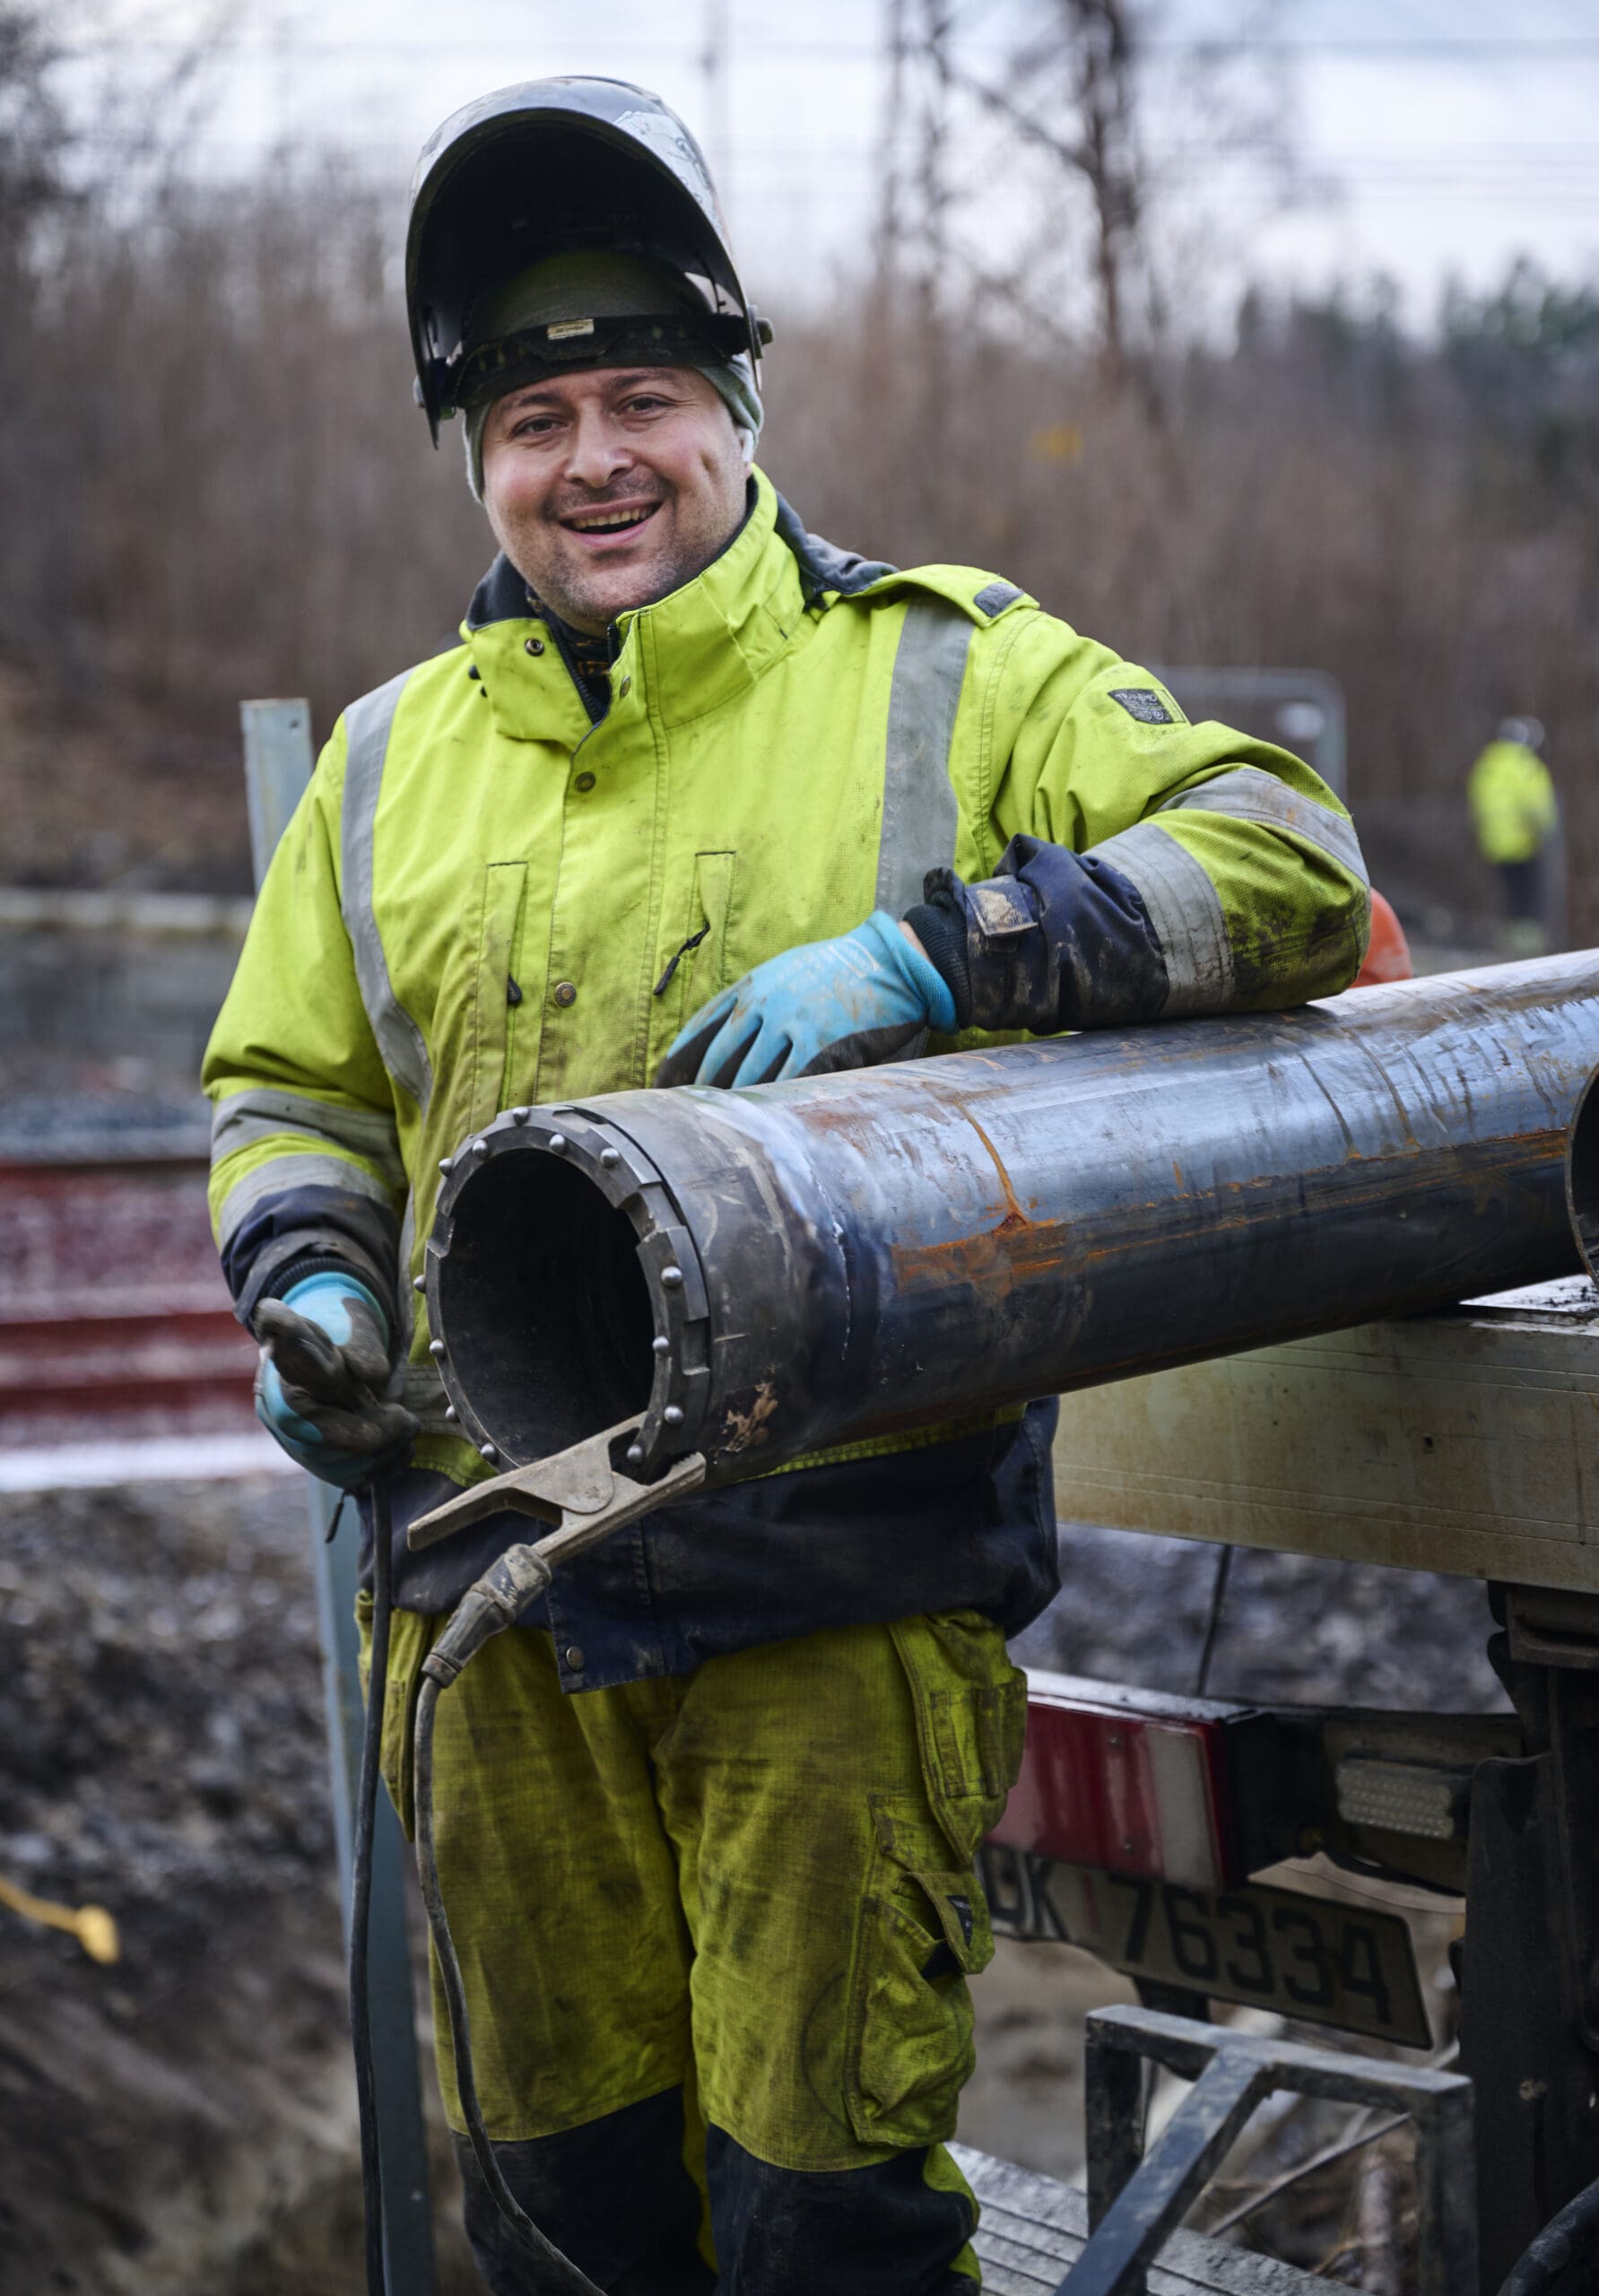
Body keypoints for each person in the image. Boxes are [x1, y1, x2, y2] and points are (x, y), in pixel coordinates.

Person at [203, 80, 1371, 2295]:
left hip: (828, 1590)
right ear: (476, 459)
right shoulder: (383, 764)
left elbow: (1287, 859)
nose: (596, 458)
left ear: (737, 410)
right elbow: (290, 1091)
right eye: (536, 419)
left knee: (819, 2222)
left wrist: (950, 947)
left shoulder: (949, 670)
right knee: (563, 2214)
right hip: (489, 1605)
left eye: (644, 398)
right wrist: (310, 1275)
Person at [1467, 718, 1558, 954]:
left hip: (1493, 843)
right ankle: (1528, 943)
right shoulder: (1524, 765)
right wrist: (1545, 828)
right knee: (1527, 891)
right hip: (1523, 842)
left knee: (1509, 891)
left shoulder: (1488, 764)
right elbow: (1536, 804)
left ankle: (1512, 938)